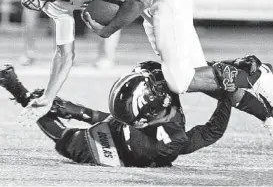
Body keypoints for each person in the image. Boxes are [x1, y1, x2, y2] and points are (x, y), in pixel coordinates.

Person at [6, 0, 273, 131]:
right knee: (198, 77)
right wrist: (50, 96)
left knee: (179, 79)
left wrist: (107, 30)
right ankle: (266, 114)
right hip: (151, 5)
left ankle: (255, 72)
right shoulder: (54, 2)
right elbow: (64, 54)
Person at [0, 62, 237, 167]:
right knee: (65, 134)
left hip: (127, 137)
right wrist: (227, 95)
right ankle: (17, 90)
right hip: (123, 153)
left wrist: (78, 111)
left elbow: (117, 120)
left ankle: (16, 88)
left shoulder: (144, 117)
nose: (158, 85)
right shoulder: (171, 140)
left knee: (64, 135)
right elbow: (211, 131)